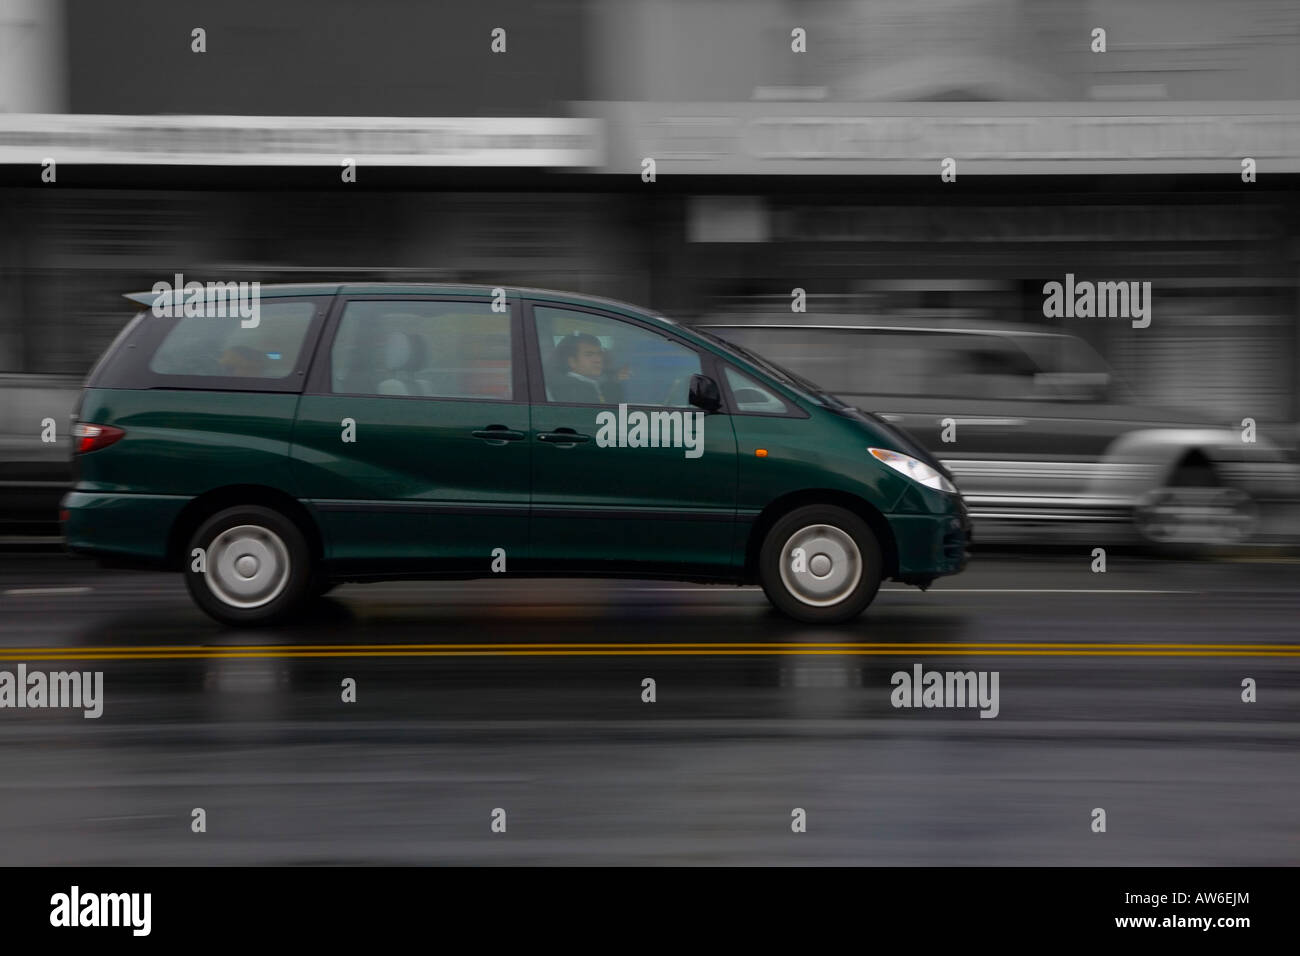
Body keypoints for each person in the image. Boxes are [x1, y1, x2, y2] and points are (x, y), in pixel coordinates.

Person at [551, 332, 626, 404]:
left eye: (599, 354)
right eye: (589, 355)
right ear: (572, 361)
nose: (598, 360)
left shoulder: (597, 382)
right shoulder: (570, 390)